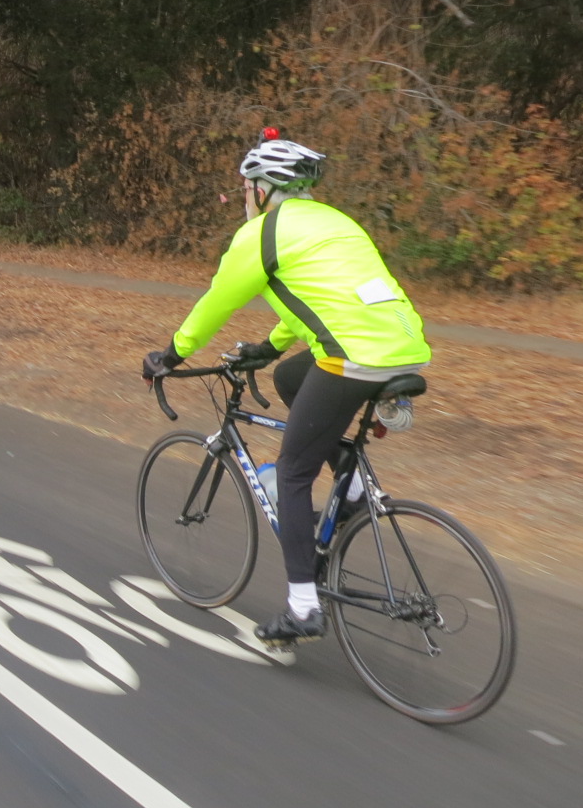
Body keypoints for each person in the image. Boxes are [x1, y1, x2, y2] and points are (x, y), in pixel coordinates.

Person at [142, 133, 430, 646]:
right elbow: (322, 301)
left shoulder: (260, 235)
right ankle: (355, 490)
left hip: (353, 356)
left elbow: (216, 303)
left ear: (261, 188)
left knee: (294, 471)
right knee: (289, 380)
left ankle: (302, 607)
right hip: (402, 347)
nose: (244, 198)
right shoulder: (337, 222)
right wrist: (271, 349)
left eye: (245, 188)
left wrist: (170, 355)